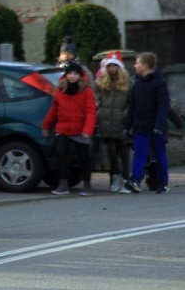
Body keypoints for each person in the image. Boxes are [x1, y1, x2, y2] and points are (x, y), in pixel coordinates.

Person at [42, 62, 97, 196]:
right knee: (60, 153)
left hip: (80, 129)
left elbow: (90, 111)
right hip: (63, 128)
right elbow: (54, 109)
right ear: (66, 75)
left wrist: (87, 130)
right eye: (70, 74)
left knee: (83, 157)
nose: (72, 76)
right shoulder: (61, 90)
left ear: (80, 76)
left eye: (75, 74)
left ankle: (87, 184)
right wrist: (46, 125)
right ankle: (63, 184)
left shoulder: (86, 91)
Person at [123, 52, 171, 194]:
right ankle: (135, 180)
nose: (134, 66)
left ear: (144, 65)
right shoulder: (137, 84)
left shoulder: (159, 83)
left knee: (159, 155)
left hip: (155, 127)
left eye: (137, 63)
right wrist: (128, 126)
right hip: (140, 126)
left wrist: (159, 125)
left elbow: (163, 106)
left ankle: (163, 182)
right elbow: (133, 107)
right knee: (140, 154)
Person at [95, 51, 131, 193]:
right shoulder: (102, 83)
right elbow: (97, 100)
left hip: (121, 122)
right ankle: (115, 176)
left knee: (124, 153)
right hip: (106, 122)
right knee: (111, 152)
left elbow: (130, 103)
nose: (112, 69)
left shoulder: (127, 84)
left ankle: (125, 179)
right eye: (109, 66)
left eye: (114, 66)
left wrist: (124, 115)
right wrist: (99, 113)